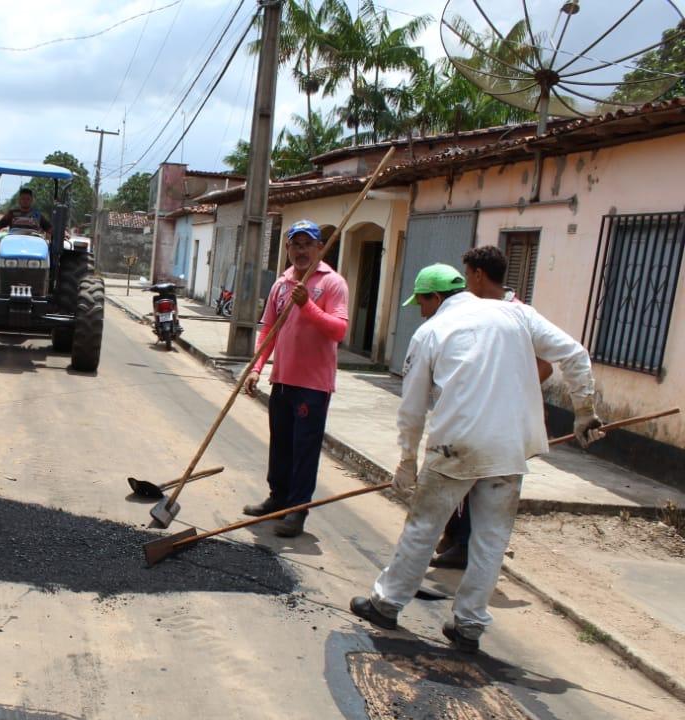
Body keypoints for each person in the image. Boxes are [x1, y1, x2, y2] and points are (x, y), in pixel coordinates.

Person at [349, 264, 604, 653]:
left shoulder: (431, 332)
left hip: (458, 444)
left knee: (424, 526)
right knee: (491, 539)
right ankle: (468, 625)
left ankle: (386, 603)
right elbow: (575, 354)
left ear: (436, 298)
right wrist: (585, 409)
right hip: (511, 445)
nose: (421, 311)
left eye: (422, 302)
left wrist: (406, 460)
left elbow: (412, 408)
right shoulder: (516, 313)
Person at [432, 245, 554, 570]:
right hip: (475, 415)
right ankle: (454, 536)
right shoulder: (477, 311)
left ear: (478, 275)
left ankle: (466, 547)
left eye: (468, 276)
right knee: (460, 472)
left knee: (481, 480)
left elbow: (544, 366)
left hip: (503, 421)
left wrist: (506, 390)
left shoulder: (517, 314)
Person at [241, 220, 349, 537]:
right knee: (281, 445)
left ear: (319, 247)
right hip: (283, 380)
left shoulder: (332, 283)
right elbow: (268, 331)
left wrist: (308, 306)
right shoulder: (281, 283)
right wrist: (257, 367)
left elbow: (339, 330)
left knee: (304, 449)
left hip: (313, 385)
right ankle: (277, 499)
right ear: (287, 249)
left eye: (307, 244)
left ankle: (297, 509)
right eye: (295, 245)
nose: (300, 251)